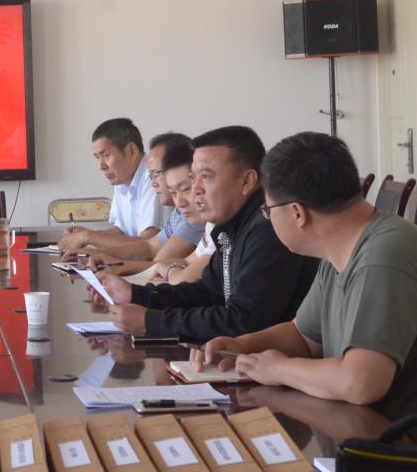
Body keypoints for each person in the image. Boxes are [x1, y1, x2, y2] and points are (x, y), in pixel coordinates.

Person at [194, 132, 417, 433]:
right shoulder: (339, 248)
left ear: (297, 213)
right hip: (379, 436)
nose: (267, 218)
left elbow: (361, 383)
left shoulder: (386, 255)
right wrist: (242, 345)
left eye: (267, 210)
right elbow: (304, 336)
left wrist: (277, 369)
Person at [96, 125, 318, 340]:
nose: (195, 190)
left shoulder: (268, 229)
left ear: (247, 181)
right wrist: (135, 295)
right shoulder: (231, 226)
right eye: (194, 178)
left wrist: (151, 321)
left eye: (207, 177)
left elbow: (243, 321)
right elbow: (207, 293)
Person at [72, 134, 205, 274]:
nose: (153, 183)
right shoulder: (179, 212)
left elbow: (159, 262)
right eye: (151, 175)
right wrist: (96, 254)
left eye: (156, 174)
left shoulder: (195, 216)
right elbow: (149, 247)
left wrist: (116, 266)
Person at [59, 118, 166, 254]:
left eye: (106, 155)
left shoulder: (153, 178)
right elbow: (121, 231)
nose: (101, 166)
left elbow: (147, 244)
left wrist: (89, 237)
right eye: (97, 158)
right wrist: (87, 234)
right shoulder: (122, 177)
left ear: (131, 150)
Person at [148, 140, 216, 284]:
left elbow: (182, 278)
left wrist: (167, 269)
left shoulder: (220, 224)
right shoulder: (211, 224)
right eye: (173, 192)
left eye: (186, 189)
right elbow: (187, 261)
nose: (180, 203)